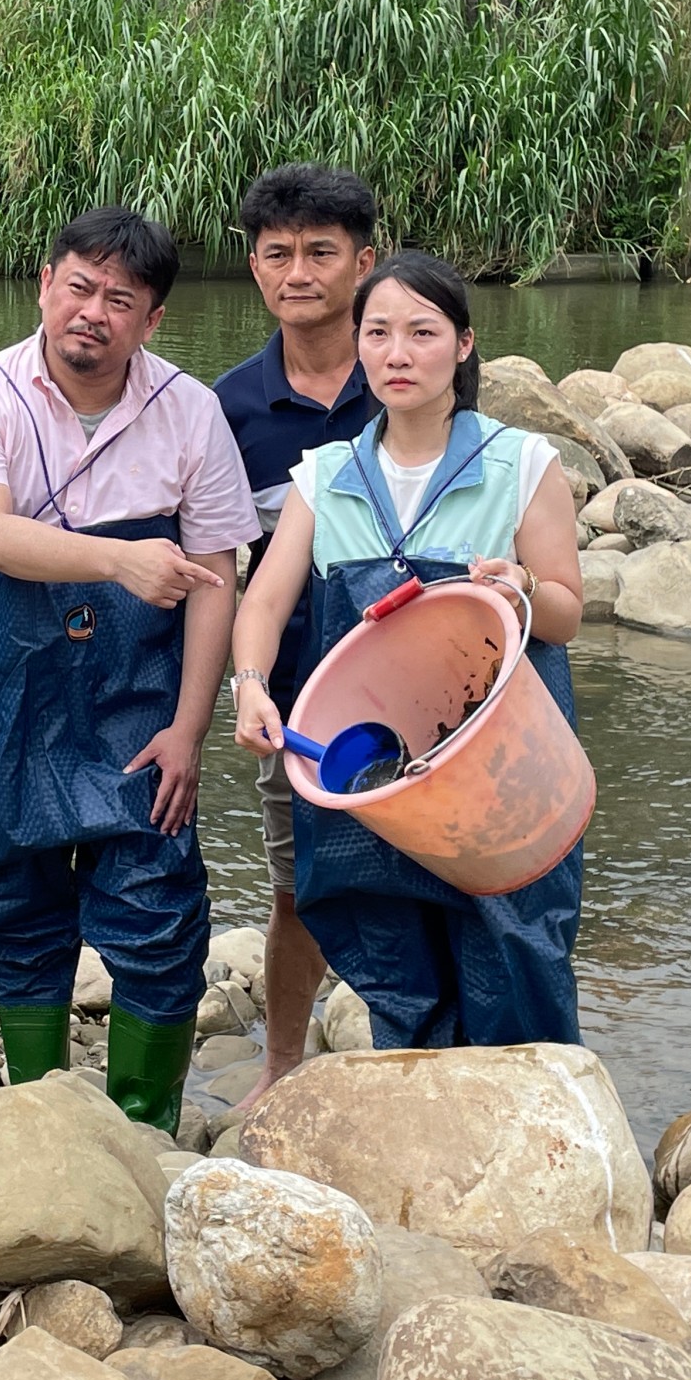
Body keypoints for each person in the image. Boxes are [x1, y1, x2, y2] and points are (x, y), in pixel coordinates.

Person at [0, 208, 257, 1132]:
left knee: (157, 901)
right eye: (78, 286)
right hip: (6, 684)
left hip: (140, 695)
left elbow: (217, 576)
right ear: (44, 284)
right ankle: (38, 1114)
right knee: (17, 891)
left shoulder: (190, 410)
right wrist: (120, 559)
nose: (92, 312)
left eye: (120, 299)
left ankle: (143, 1125)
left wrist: (190, 727)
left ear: (151, 320)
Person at [228, 252, 587, 1050]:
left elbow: (565, 613)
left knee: (516, 944)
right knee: (390, 942)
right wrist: (251, 683)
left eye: (422, 332)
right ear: (357, 344)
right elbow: (264, 600)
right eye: (379, 332)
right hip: (383, 782)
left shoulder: (521, 464)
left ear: (463, 345)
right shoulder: (325, 476)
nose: (398, 353)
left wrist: (521, 581)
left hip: (499, 773)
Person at [210, 165, 379, 1108]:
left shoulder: (411, 371)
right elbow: (226, 569)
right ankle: (281, 1060)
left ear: (363, 260)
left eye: (322, 251)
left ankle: (427, 1046)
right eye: (280, 253)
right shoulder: (233, 407)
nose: (300, 271)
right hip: (300, 692)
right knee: (296, 879)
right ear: (255, 268)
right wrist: (245, 681)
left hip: (421, 686)